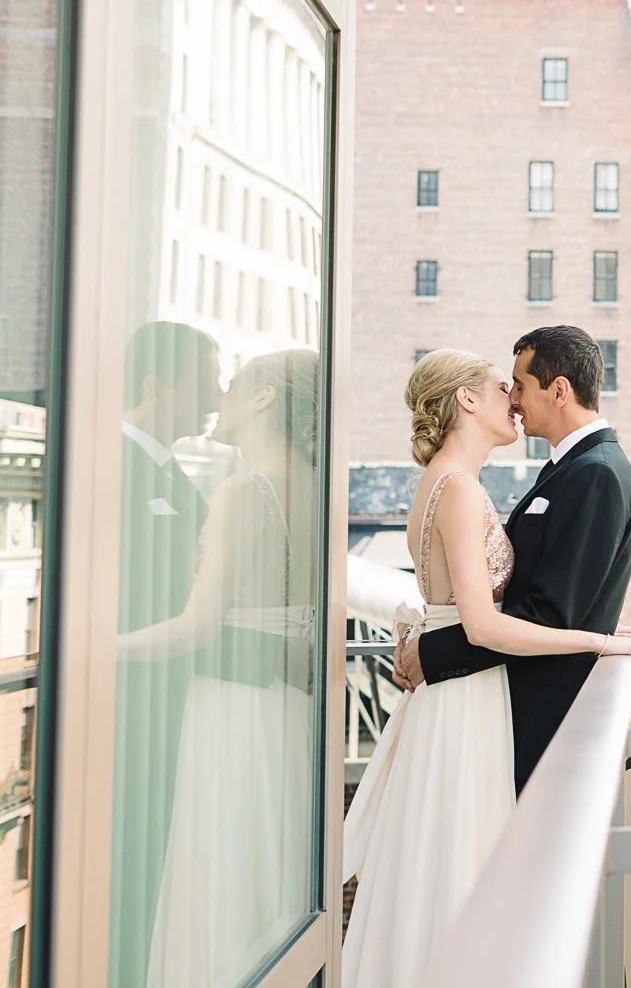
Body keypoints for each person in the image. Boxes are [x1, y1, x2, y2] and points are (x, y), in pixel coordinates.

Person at [341, 341, 631, 988]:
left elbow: (508, 606)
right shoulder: (459, 489)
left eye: (519, 385)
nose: (512, 397)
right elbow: (482, 622)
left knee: (455, 857)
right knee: (460, 863)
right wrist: (598, 641)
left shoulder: (468, 483)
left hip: (472, 693)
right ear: (466, 400)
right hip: (470, 696)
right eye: (500, 384)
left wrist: (595, 630)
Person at [120, 348, 322, 987]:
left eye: (233, 385)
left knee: (222, 866)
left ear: (264, 399)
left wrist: (90, 650)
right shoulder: (313, 490)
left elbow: (197, 626)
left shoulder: (244, 490)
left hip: (230, 712)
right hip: (289, 708)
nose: (219, 396)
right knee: (268, 871)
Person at [112, 320, 219, 988]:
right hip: (123, 709)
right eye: (203, 379)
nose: (215, 392)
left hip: (170, 702)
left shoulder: (175, 476)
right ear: (157, 385)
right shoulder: (106, 467)